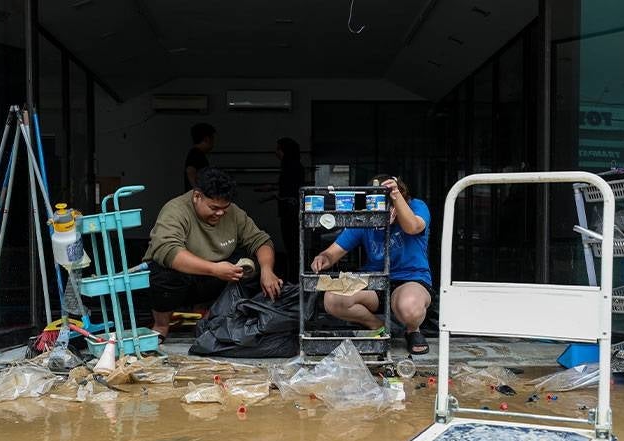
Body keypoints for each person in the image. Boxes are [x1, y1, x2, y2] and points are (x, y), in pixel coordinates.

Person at [144, 167, 283, 338]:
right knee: (163, 273)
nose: (220, 213)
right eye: (214, 207)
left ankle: (211, 320)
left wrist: (268, 271)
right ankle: (161, 326)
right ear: (197, 196)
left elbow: (260, 240)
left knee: (255, 266)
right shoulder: (175, 210)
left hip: (216, 276)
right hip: (183, 277)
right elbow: (168, 251)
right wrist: (214, 269)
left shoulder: (233, 212)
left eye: (224, 208)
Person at [310, 174, 432, 355]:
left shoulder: (416, 206)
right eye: (379, 202)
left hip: (411, 279)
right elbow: (334, 252)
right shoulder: (367, 217)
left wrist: (395, 196)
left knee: (410, 308)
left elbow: (412, 227)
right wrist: (323, 258)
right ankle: (377, 326)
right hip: (375, 281)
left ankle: (412, 330)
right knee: (332, 298)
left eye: (388, 202)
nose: (385, 209)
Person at [276, 137, 305, 277]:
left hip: (290, 214)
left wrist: (278, 197)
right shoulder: (296, 166)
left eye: (279, 149)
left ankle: (293, 279)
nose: (277, 153)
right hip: (292, 212)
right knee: (294, 247)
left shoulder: (290, 167)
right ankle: (294, 278)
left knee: (292, 247)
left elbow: (291, 192)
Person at [184, 122, 216, 192]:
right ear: (207, 139)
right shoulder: (196, 153)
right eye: (212, 139)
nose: (213, 142)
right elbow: (190, 170)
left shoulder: (197, 154)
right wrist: (197, 190)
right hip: (197, 198)